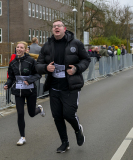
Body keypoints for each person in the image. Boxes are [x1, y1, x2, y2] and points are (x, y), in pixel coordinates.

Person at [36, 19, 90, 153]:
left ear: (64, 28)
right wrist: (45, 67)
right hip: (54, 87)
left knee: (69, 114)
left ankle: (78, 130)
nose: (56, 28)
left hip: (71, 86)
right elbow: (38, 64)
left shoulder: (76, 43)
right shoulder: (47, 45)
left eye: (59, 26)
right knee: (57, 116)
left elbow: (86, 59)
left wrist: (77, 68)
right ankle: (64, 143)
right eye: (54, 26)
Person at [4, 41, 45, 146]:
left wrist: (30, 80)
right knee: (20, 114)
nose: (19, 49)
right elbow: (11, 77)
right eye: (17, 47)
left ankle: (39, 109)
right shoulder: (13, 62)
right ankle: (22, 137)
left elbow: (38, 74)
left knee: (31, 113)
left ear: (26, 50)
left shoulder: (31, 61)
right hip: (18, 92)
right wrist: (7, 84)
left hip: (30, 91)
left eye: (21, 47)